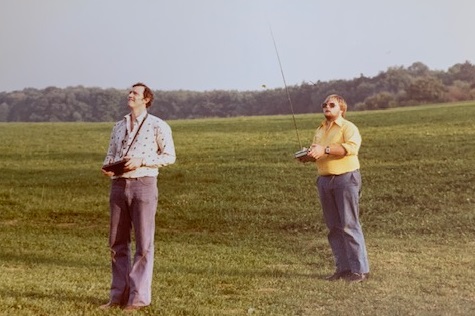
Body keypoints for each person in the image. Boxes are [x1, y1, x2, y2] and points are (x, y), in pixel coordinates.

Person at [100, 82, 176, 311]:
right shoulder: (118, 126)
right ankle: (117, 296)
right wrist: (108, 167)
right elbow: (111, 153)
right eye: (130, 92)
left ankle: (138, 299)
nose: (130, 95)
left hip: (144, 184)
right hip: (118, 186)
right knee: (116, 242)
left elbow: (169, 156)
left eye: (135, 93)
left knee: (144, 244)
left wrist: (142, 161)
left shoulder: (157, 126)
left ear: (146, 99)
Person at [299, 94, 369, 283]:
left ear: (341, 109)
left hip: (345, 179)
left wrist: (326, 150)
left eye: (332, 105)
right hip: (324, 180)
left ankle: (360, 270)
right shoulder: (320, 129)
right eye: (324, 105)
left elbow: (352, 148)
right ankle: (343, 268)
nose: (327, 107)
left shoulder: (348, 127)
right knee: (334, 227)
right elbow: (319, 152)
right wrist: (308, 156)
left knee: (349, 224)